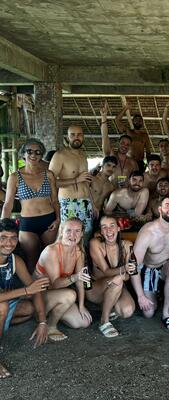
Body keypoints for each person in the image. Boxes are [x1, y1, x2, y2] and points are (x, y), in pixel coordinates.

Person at [131, 196, 169, 332]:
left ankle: (166, 313)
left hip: (166, 265)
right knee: (148, 313)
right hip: (149, 269)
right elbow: (134, 265)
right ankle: (157, 293)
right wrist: (140, 296)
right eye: (167, 205)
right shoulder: (148, 231)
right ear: (159, 209)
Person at [0, 218, 50, 379]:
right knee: (2, 307)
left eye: (13, 238)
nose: (9, 243)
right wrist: (26, 290)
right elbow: (29, 289)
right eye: (3, 238)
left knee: (29, 308)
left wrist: (42, 322)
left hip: (5, 303)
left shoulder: (15, 260)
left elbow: (34, 289)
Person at [2, 139, 60, 273]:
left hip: (49, 221)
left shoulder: (48, 174)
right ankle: (32, 286)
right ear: (23, 154)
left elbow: (55, 201)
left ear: (41, 155)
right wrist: (3, 226)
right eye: (29, 151)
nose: (33, 155)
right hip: (28, 224)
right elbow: (8, 204)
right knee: (31, 261)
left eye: (37, 152)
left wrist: (58, 219)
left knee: (50, 258)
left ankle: (50, 284)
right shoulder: (15, 177)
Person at [34, 218, 92, 342]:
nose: (73, 235)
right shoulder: (52, 250)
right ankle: (50, 325)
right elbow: (55, 284)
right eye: (69, 230)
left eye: (77, 231)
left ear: (82, 234)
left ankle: (52, 312)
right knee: (70, 295)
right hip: (39, 295)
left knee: (83, 322)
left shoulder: (78, 252)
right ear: (61, 231)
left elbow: (80, 279)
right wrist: (75, 277)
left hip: (58, 295)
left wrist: (82, 305)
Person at [49, 125, 98, 245]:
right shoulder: (60, 155)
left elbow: (85, 182)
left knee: (85, 237)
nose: (76, 137)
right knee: (68, 239)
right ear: (67, 138)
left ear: (83, 137)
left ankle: (82, 258)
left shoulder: (83, 156)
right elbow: (49, 181)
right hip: (69, 203)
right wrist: (75, 180)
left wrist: (93, 204)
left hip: (86, 203)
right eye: (73, 135)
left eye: (79, 134)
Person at [88, 216, 135, 337]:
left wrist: (124, 275)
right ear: (101, 231)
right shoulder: (96, 244)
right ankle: (104, 321)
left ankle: (108, 306)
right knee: (118, 281)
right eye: (104, 227)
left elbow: (129, 276)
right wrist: (124, 270)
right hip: (96, 289)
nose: (108, 230)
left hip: (116, 286)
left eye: (112, 226)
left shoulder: (127, 245)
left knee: (127, 311)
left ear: (118, 228)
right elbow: (106, 271)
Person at [100, 105, 139, 188]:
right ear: (118, 143)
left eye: (127, 144)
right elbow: (104, 136)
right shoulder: (110, 155)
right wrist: (104, 118)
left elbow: (137, 180)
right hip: (110, 191)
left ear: (130, 147)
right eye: (123, 143)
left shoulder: (133, 163)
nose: (125, 146)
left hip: (125, 193)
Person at [115, 107, 152, 173]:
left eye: (140, 120)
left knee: (139, 178)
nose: (138, 121)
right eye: (136, 120)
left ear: (142, 123)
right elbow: (117, 120)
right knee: (123, 178)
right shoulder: (128, 131)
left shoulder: (145, 135)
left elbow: (148, 151)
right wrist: (125, 108)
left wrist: (149, 164)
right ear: (132, 121)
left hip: (140, 163)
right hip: (128, 161)